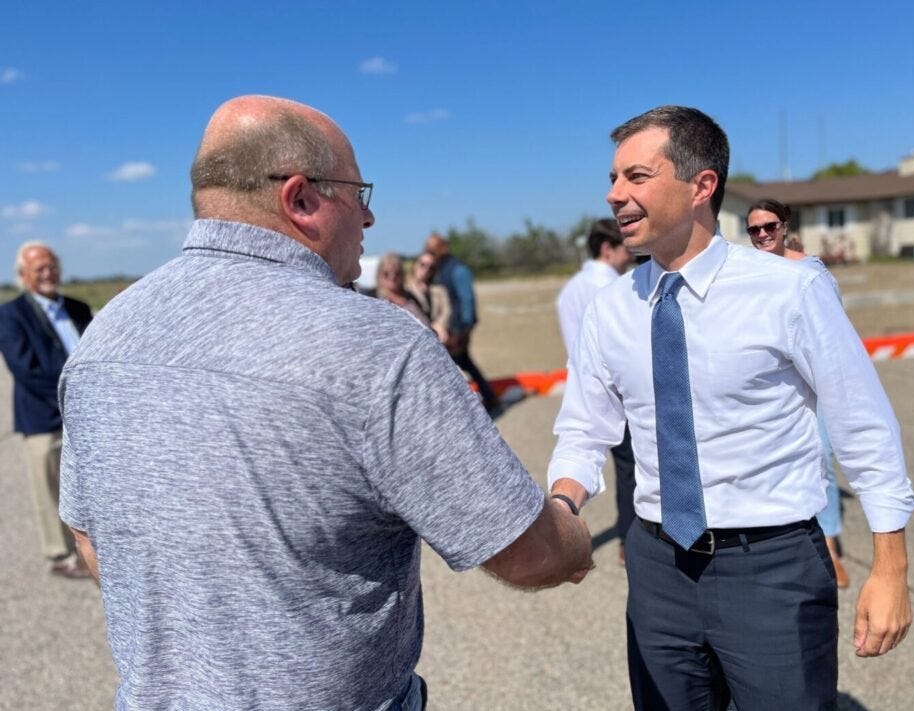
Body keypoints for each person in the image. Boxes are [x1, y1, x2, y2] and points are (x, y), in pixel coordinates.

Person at [57, 95, 592, 711]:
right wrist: (570, 525)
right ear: (301, 199)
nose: (368, 217)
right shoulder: (377, 343)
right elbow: (530, 556)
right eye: (358, 192)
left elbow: (91, 538)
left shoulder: (106, 333)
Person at [547, 106, 914, 709]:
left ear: (702, 186)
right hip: (657, 567)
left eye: (636, 177)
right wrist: (563, 507)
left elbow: (863, 425)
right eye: (613, 180)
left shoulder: (791, 290)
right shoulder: (609, 310)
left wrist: (890, 568)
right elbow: (585, 429)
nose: (614, 195)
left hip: (772, 569)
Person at [746, 198, 851, 588]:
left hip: (813, 381)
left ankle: (830, 546)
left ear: (785, 225)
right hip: (773, 385)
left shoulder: (810, 271)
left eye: (769, 226)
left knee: (820, 457)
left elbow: (833, 330)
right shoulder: (748, 272)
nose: (762, 235)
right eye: (754, 229)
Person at [0, 242, 92, 579]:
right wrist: (70, 397)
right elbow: (26, 370)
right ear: (23, 276)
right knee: (49, 489)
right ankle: (60, 556)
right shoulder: (10, 316)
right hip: (44, 419)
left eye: (51, 265)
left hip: (87, 416)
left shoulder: (79, 309)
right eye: (38, 268)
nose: (47, 273)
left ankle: (93, 547)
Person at [556, 218, 636, 562]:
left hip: (583, 384)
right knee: (633, 470)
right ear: (607, 248)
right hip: (618, 388)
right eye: (624, 246)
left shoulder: (571, 287)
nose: (630, 254)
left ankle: (622, 537)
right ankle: (630, 540)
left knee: (615, 466)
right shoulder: (613, 287)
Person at [424, 233, 500, 412]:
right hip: (449, 327)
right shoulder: (441, 269)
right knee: (465, 362)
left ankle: (482, 400)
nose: (429, 252)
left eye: (432, 248)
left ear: (442, 248)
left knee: (456, 364)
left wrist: (465, 328)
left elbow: (467, 299)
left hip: (457, 328)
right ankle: (489, 397)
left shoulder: (458, 269)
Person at [375, 251, 432, 328]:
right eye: (387, 274)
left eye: (396, 273)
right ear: (379, 275)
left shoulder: (411, 297)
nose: (392, 277)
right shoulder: (373, 297)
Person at [407, 250, 452, 343]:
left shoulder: (439, 290)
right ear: (415, 264)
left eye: (431, 267)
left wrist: (439, 325)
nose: (426, 269)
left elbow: (446, 310)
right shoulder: (405, 288)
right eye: (423, 264)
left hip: (437, 337)